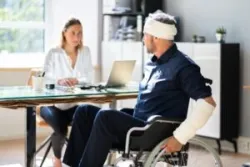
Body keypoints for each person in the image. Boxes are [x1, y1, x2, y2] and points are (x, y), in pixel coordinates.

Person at [63, 11, 216, 167]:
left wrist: (179, 138)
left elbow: (208, 104)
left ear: (156, 36)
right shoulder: (152, 63)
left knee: (105, 117)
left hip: (154, 132)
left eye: (145, 35)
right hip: (140, 125)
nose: (142, 39)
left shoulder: (183, 66)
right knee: (84, 112)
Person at [40, 18, 93, 167]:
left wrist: (77, 80)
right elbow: (44, 78)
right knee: (61, 128)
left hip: (73, 104)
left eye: (80, 33)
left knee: (87, 119)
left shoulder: (85, 51)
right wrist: (59, 81)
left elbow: (89, 78)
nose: (77, 37)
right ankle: (57, 160)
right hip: (51, 105)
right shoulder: (54, 52)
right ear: (64, 34)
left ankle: (76, 161)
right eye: (73, 33)